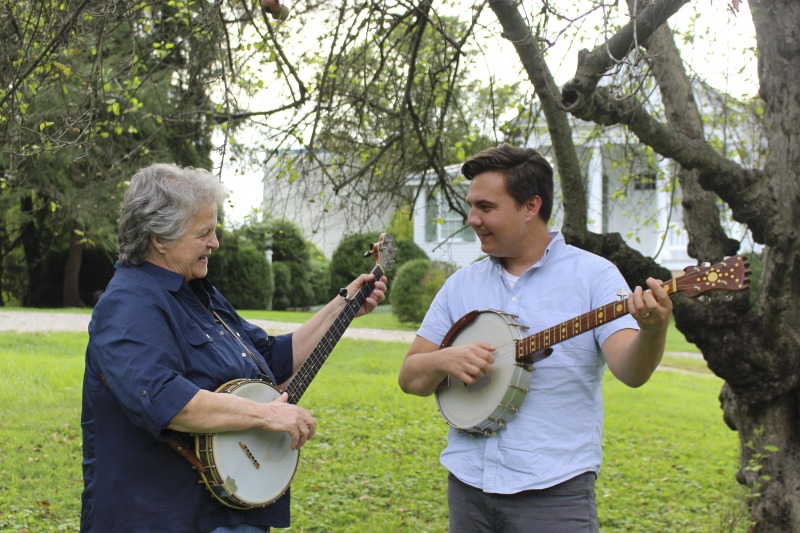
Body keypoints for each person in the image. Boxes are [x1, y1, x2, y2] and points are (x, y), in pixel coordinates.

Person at [80, 163, 387, 533]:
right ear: (160, 238)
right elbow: (163, 398)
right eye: (204, 233)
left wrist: (343, 305)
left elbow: (274, 360)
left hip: (229, 512)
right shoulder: (128, 304)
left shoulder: (199, 292)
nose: (215, 243)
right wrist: (267, 415)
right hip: (162, 516)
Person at [397, 144, 673, 532]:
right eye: (472, 205)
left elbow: (631, 370)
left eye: (486, 207)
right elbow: (410, 376)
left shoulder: (594, 276)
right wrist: (445, 360)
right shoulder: (462, 285)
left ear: (531, 207)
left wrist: (653, 329)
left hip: (554, 492)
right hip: (468, 487)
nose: (472, 219)